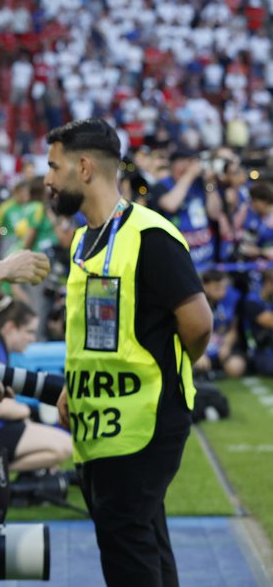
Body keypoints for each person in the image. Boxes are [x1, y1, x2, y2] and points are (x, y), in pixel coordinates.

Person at [45, 118, 212, 586]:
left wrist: (172, 374)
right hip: (99, 420)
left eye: (53, 167)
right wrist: (71, 386)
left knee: (125, 546)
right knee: (143, 537)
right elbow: (88, 332)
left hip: (144, 421)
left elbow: (198, 325)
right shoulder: (83, 240)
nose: (47, 180)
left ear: (83, 168)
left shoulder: (149, 235)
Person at [0, 298, 72, 473]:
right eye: (29, 332)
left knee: (52, 441)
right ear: (10, 328)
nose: (32, 339)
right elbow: (0, 408)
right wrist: (33, 412)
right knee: (64, 446)